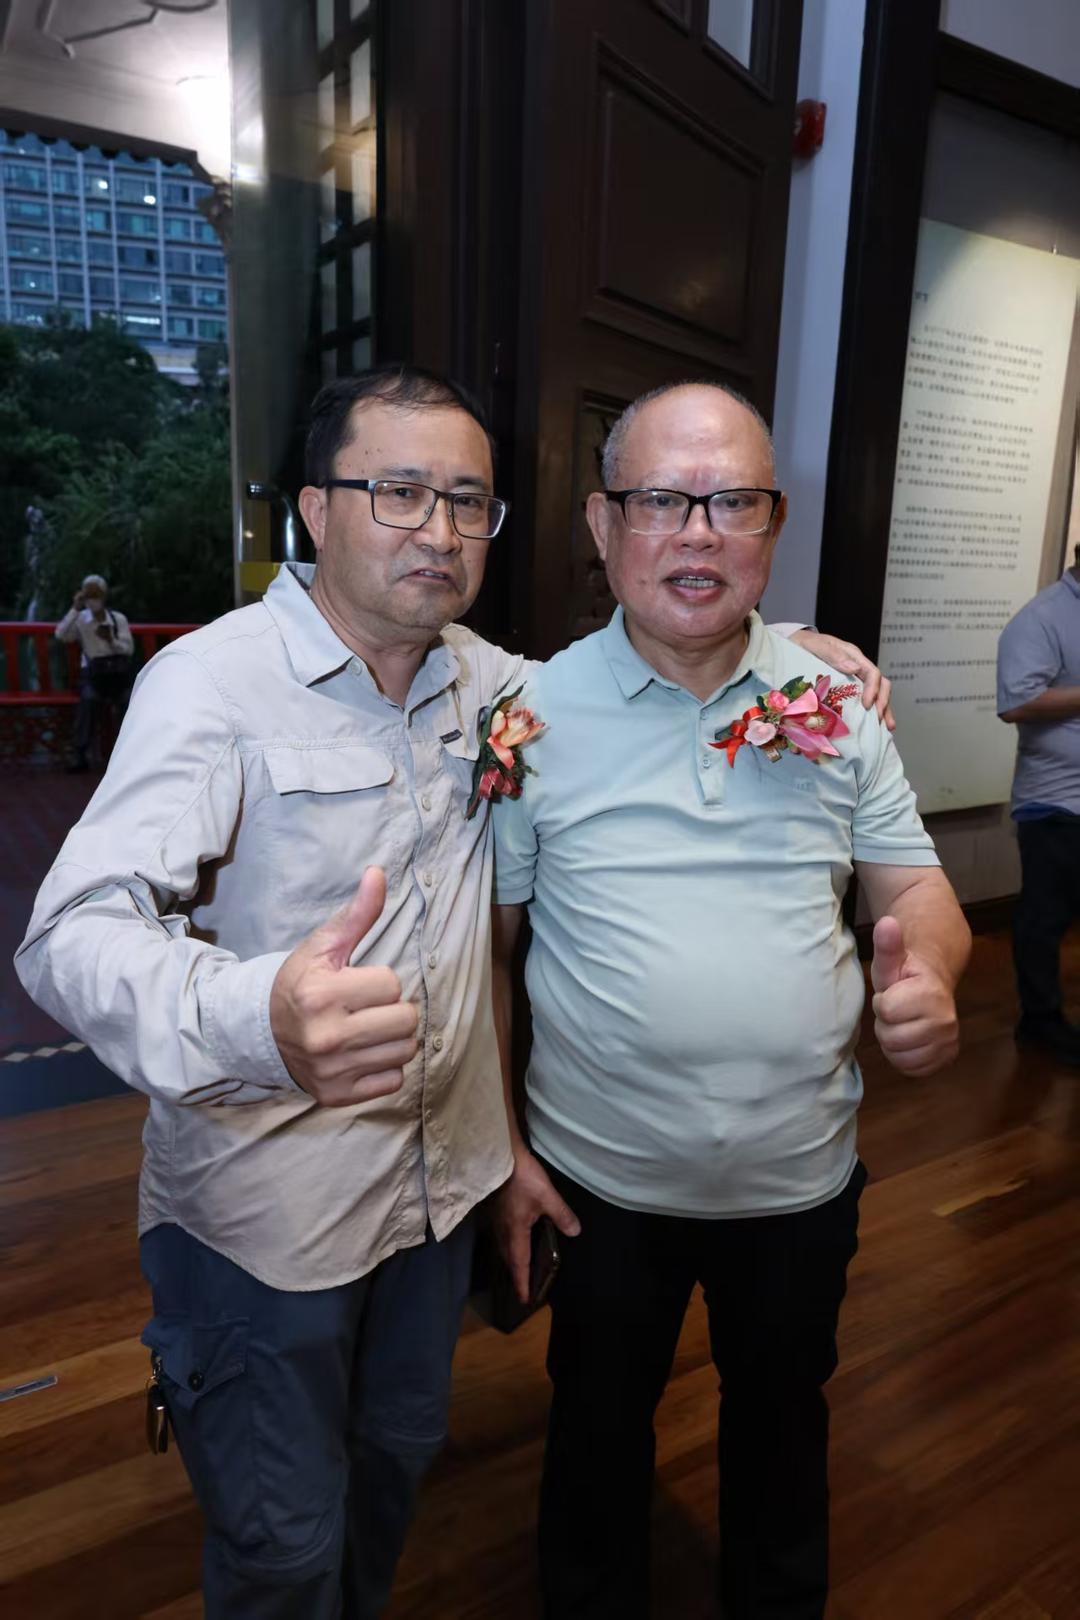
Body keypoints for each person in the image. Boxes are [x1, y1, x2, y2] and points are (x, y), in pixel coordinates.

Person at [17, 364, 893, 1620]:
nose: (437, 529)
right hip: (271, 1216)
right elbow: (70, 930)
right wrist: (258, 1014)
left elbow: (658, 651)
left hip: (432, 1207)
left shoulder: (491, 686)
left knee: (393, 1475)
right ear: (315, 509)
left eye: (468, 500)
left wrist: (782, 646)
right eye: (398, 491)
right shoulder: (212, 684)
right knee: (281, 1545)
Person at [491, 380, 971, 1620]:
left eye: (734, 503)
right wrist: (505, 1149)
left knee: (784, 1434)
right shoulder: (529, 716)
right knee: (595, 1445)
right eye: (661, 500)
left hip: (798, 1179)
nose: (697, 533)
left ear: (774, 524)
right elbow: (491, 953)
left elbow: (915, 888)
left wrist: (930, 973)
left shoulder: (838, 704)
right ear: (603, 524)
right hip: (600, 1184)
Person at [997, 543, 1080, 1066]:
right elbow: (1017, 701)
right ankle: (1040, 1021)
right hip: (1057, 801)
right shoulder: (1043, 617)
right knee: (1045, 917)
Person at [54, 572, 135, 771]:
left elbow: (128, 649)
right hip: (94, 674)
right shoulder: (81, 620)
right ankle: (80, 754)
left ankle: (130, 752)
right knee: (88, 700)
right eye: (89, 595)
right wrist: (75, 607)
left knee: (128, 701)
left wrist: (111, 640)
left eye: (96, 595)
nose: (93, 600)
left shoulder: (118, 619)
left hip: (117, 674)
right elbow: (61, 635)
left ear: (104, 596)